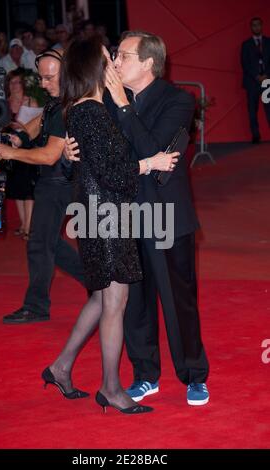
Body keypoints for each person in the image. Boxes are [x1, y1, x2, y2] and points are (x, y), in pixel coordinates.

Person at [65, 31, 210, 406]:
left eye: (123, 55)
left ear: (148, 63)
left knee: (180, 302)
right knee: (132, 303)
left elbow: (156, 157)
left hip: (167, 215)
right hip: (122, 217)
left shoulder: (179, 100)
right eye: (114, 54)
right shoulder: (106, 104)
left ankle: (194, 374)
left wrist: (122, 106)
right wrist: (70, 155)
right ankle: (145, 373)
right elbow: (102, 161)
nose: (114, 61)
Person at [42, 36, 179, 414]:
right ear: (93, 67)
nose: (114, 63)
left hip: (98, 214)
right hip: (108, 217)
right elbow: (114, 172)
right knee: (114, 302)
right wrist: (150, 164)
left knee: (102, 298)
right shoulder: (92, 111)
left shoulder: (81, 109)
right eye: (108, 57)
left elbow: (93, 165)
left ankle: (61, 368)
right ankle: (112, 388)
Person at [0, 49, 85, 324]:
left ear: (67, 73)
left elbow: (49, 155)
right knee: (47, 242)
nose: (43, 84)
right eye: (41, 77)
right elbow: (40, 120)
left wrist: (12, 153)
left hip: (58, 183)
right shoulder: (59, 100)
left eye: (49, 78)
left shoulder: (69, 106)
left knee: (40, 244)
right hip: (55, 182)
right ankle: (96, 281)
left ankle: (36, 306)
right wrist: (20, 137)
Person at [4, 68, 41, 240]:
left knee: (28, 189)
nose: (15, 85)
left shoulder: (31, 101)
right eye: (12, 82)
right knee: (17, 189)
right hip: (9, 147)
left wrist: (21, 126)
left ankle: (29, 227)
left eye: (18, 81)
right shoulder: (5, 102)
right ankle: (22, 223)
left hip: (27, 147)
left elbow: (37, 126)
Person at [241, 17, 270, 144]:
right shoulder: (246, 44)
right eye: (254, 25)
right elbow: (244, 63)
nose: (256, 27)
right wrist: (257, 76)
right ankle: (256, 136)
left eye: (258, 25)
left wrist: (266, 75)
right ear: (251, 27)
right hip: (252, 82)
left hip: (267, 81)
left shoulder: (269, 42)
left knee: (269, 109)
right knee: (252, 110)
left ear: (262, 26)